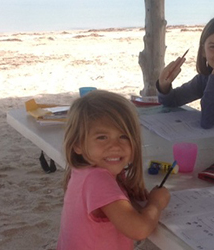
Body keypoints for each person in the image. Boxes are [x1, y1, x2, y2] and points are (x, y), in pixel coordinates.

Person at [57, 90, 170, 250]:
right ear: (77, 144)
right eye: (102, 137)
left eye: (124, 136)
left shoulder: (84, 170)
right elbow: (139, 230)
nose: (115, 146)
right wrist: (156, 203)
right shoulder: (98, 179)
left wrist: (126, 191)